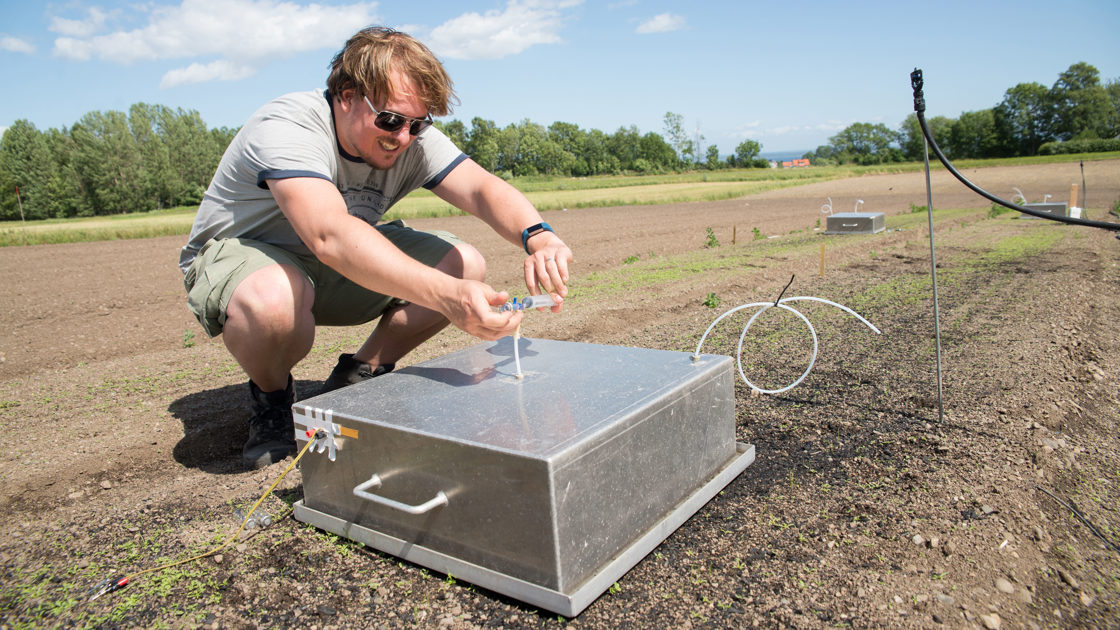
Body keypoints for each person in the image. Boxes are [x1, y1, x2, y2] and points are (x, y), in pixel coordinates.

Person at [178, 26, 573, 468]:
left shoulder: (411, 138)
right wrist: (447, 296)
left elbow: (480, 188)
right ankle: (272, 399)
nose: (403, 136)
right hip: (253, 262)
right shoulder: (289, 125)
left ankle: (357, 374)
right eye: (390, 120)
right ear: (347, 96)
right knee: (273, 299)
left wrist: (539, 235)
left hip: (329, 265)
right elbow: (329, 234)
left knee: (463, 263)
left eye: (417, 124)